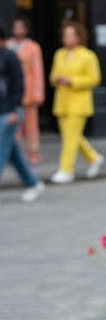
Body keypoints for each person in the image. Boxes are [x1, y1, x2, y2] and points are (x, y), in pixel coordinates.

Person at [49, 22, 104, 184]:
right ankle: (93, 157)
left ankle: (66, 169)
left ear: (79, 37)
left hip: (79, 102)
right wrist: (56, 79)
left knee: (70, 138)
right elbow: (53, 75)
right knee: (71, 136)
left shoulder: (87, 56)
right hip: (62, 101)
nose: (67, 38)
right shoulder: (59, 54)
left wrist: (72, 81)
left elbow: (94, 79)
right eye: (65, 35)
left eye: (71, 35)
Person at [0, 21, 45, 202]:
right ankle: (33, 183)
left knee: (2, 149)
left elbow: (19, 86)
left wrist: (13, 110)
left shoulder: (11, 57)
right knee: (12, 152)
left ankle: (33, 183)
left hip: (10, 111)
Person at [9, 17, 45, 164]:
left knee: (30, 125)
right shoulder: (9, 46)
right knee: (12, 125)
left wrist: (38, 92)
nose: (18, 30)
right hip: (11, 92)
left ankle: (32, 153)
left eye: (21, 27)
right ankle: (14, 154)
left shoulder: (32, 47)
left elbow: (37, 70)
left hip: (29, 90)